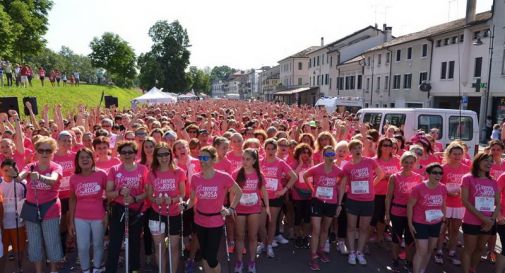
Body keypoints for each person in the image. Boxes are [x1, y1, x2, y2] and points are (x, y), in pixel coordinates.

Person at [179, 146, 242, 273]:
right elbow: (192, 200)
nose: (202, 160)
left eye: (205, 158)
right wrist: (185, 206)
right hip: (199, 220)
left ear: (214, 159)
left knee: (212, 258)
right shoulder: (196, 178)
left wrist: (230, 209)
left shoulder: (223, 177)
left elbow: (239, 192)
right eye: (200, 157)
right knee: (204, 255)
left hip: (216, 221)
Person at [17, 136, 63, 273]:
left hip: (50, 208)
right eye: (41, 150)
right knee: (34, 243)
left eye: (48, 150)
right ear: (36, 152)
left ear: (53, 152)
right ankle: (39, 271)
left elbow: (53, 180)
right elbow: (19, 177)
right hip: (31, 208)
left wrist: (41, 177)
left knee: (51, 241)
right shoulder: (30, 166)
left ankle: (53, 270)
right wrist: (16, 174)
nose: (44, 153)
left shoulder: (56, 167)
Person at [105, 141, 148, 273]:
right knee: (115, 242)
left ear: (135, 154)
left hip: (136, 210)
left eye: (130, 152)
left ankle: (134, 269)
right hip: (118, 209)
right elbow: (108, 193)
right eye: (124, 152)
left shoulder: (143, 169)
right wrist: (118, 192)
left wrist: (135, 198)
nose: (127, 155)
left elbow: (147, 192)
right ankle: (111, 270)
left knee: (134, 242)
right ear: (120, 154)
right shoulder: (114, 169)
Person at [339, 139, 384, 265]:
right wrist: (338, 203)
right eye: (354, 148)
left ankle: (360, 252)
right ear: (350, 151)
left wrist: (371, 186)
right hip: (352, 200)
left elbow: (380, 175)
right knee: (351, 227)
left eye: (359, 147)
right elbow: (343, 184)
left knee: (364, 228)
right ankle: (352, 252)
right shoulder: (347, 165)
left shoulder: (369, 161)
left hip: (368, 200)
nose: (357, 150)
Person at [146, 143, 186, 273]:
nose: (164, 158)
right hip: (156, 215)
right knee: (159, 248)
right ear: (156, 157)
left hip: (173, 214)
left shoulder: (178, 172)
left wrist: (173, 200)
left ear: (171, 154)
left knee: (174, 248)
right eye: (160, 155)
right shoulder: (151, 173)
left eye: (166, 154)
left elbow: (182, 194)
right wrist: (154, 199)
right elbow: (149, 195)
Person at [303, 145, 343, 271]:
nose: (330, 157)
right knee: (316, 229)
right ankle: (313, 256)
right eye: (328, 154)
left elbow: (343, 180)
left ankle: (320, 251)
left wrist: (339, 203)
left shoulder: (338, 170)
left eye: (332, 155)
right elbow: (305, 176)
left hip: (331, 202)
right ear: (323, 156)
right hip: (317, 201)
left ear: (334, 156)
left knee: (326, 229)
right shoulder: (316, 168)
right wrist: (312, 189)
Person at [68, 148, 107, 273]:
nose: (85, 160)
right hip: (80, 217)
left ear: (93, 159)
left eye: (87, 157)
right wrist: (70, 222)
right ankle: (85, 269)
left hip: (99, 216)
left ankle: (97, 268)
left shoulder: (102, 174)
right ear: (77, 161)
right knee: (83, 246)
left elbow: (110, 195)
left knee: (98, 244)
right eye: (81, 157)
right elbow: (72, 199)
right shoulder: (74, 178)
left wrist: (107, 213)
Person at [258, 138, 297, 258]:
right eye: (268, 149)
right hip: (262, 197)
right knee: (260, 224)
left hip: (275, 197)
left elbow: (294, 176)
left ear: (276, 150)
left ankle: (269, 245)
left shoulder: (280, 162)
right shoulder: (259, 162)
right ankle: (264, 243)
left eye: (273, 148)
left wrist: (284, 190)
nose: (270, 151)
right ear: (264, 149)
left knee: (272, 222)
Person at [461, 153, 499, 273]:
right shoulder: (467, 178)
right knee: (469, 249)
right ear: (478, 161)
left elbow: (498, 203)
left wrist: (491, 220)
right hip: (471, 221)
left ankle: (473, 269)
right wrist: (483, 218)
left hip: (488, 222)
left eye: (490, 161)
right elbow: (465, 201)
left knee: (481, 248)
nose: (489, 163)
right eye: (486, 161)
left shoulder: (493, 181)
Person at [233, 148, 270, 273]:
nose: (244, 161)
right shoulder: (236, 173)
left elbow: (264, 191)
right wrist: (232, 208)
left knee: (253, 236)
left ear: (254, 161)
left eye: (248, 159)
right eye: (243, 158)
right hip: (239, 208)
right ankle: (239, 262)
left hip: (254, 208)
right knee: (239, 236)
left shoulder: (259, 174)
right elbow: (232, 192)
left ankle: (252, 262)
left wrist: (268, 207)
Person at [385, 152, 422, 272]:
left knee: (410, 239)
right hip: (397, 211)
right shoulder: (394, 177)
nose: (408, 165)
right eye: (406, 162)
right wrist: (387, 214)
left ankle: (408, 261)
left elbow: (421, 197)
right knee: (396, 238)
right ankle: (395, 260)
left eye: (411, 162)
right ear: (402, 162)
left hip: (413, 213)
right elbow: (389, 197)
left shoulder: (418, 177)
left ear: (414, 164)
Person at [407, 163, 447, 273]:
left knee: (429, 250)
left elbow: (443, 205)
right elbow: (410, 205)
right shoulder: (419, 188)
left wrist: (443, 220)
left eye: (440, 173)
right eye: (435, 173)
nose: (438, 175)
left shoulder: (443, 188)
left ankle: (422, 270)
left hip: (436, 222)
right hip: (420, 223)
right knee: (421, 251)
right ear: (428, 174)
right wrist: (410, 223)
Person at [434, 142, 469, 265]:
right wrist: (447, 192)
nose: (457, 156)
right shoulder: (443, 168)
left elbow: (468, 185)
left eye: (460, 154)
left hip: (459, 204)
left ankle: (452, 251)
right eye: (455, 154)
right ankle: (438, 251)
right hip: (445, 203)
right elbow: (437, 185)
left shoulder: (466, 168)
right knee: (442, 229)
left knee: (455, 229)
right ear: (449, 154)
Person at [372, 138, 400, 243]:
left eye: (390, 145)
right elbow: (371, 176)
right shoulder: (374, 160)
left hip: (393, 193)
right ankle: (375, 237)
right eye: (385, 145)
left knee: (385, 215)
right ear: (380, 147)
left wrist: (391, 177)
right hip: (378, 192)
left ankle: (381, 236)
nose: (388, 147)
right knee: (376, 216)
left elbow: (401, 174)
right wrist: (383, 177)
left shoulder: (397, 160)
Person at [0, 159, 27, 268]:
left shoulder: (22, 184)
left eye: (12, 170)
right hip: (3, 225)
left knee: (19, 249)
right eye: (6, 170)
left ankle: (19, 267)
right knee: (3, 251)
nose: (9, 173)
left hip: (18, 224)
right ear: (1, 171)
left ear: (17, 170)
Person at [290, 143, 314, 249]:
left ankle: (305, 236)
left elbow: (315, 176)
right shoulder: (294, 163)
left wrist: (311, 163)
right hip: (297, 195)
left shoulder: (311, 163)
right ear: (298, 153)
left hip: (309, 195)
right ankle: (298, 236)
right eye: (303, 152)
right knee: (298, 217)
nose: (305, 155)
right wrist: (300, 164)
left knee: (307, 217)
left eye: (308, 152)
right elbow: (293, 177)